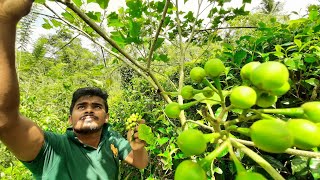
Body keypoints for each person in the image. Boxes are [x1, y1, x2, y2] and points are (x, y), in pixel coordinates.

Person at [0, 0, 148, 179]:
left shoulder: (112, 140)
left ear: (107, 117)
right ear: (70, 119)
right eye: (81, 106)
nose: (89, 110)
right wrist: (5, 19)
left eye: (97, 106)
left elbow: (140, 162)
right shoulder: (50, 149)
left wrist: (138, 148)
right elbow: (4, 119)